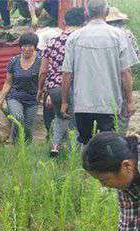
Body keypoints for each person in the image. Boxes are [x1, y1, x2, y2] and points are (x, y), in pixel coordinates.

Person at [61, 0, 138, 145]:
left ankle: (87, 167)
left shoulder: (75, 37)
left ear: (87, 13)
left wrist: (65, 101)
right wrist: (129, 101)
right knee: (109, 145)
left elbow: (66, 73)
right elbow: (125, 71)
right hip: (109, 103)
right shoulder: (119, 35)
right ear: (106, 12)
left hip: (82, 102)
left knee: (86, 142)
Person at [37, 7, 86, 157]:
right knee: (75, 123)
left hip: (54, 88)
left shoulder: (52, 41)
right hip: (75, 86)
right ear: (83, 22)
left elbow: (43, 70)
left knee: (60, 117)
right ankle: (74, 157)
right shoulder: (82, 39)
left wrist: (40, 89)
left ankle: (55, 146)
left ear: (64, 22)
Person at [0, 33, 42, 144]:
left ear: (35, 46)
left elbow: (44, 80)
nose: (27, 49)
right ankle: (15, 144)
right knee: (18, 117)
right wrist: (0, 99)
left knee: (28, 127)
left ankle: (26, 150)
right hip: (15, 96)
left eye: (30, 45)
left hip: (32, 99)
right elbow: (8, 82)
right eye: (24, 46)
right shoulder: (14, 61)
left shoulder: (40, 61)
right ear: (20, 47)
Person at [107, 7, 140, 135]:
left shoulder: (102, 33)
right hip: (122, 77)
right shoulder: (127, 34)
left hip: (105, 78)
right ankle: (119, 138)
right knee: (123, 111)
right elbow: (134, 57)